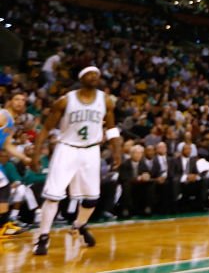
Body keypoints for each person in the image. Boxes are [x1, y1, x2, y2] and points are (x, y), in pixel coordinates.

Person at [32, 67, 122, 256]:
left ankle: (79, 225)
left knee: (92, 198)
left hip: (91, 150)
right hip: (67, 149)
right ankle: (43, 237)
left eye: (97, 74)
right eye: (90, 74)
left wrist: (117, 152)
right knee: (53, 196)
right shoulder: (65, 101)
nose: (95, 77)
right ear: (81, 78)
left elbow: (112, 129)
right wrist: (36, 155)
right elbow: (46, 129)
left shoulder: (105, 100)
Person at [1, 93, 33, 236]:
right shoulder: (3, 115)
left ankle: (4, 224)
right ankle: (3, 225)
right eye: (16, 99)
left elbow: (8, 145)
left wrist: (24, 158)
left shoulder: (12, 122)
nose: (20, 102)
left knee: (4, 188)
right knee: (4, 187)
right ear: (9, 101)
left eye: (22, 100)